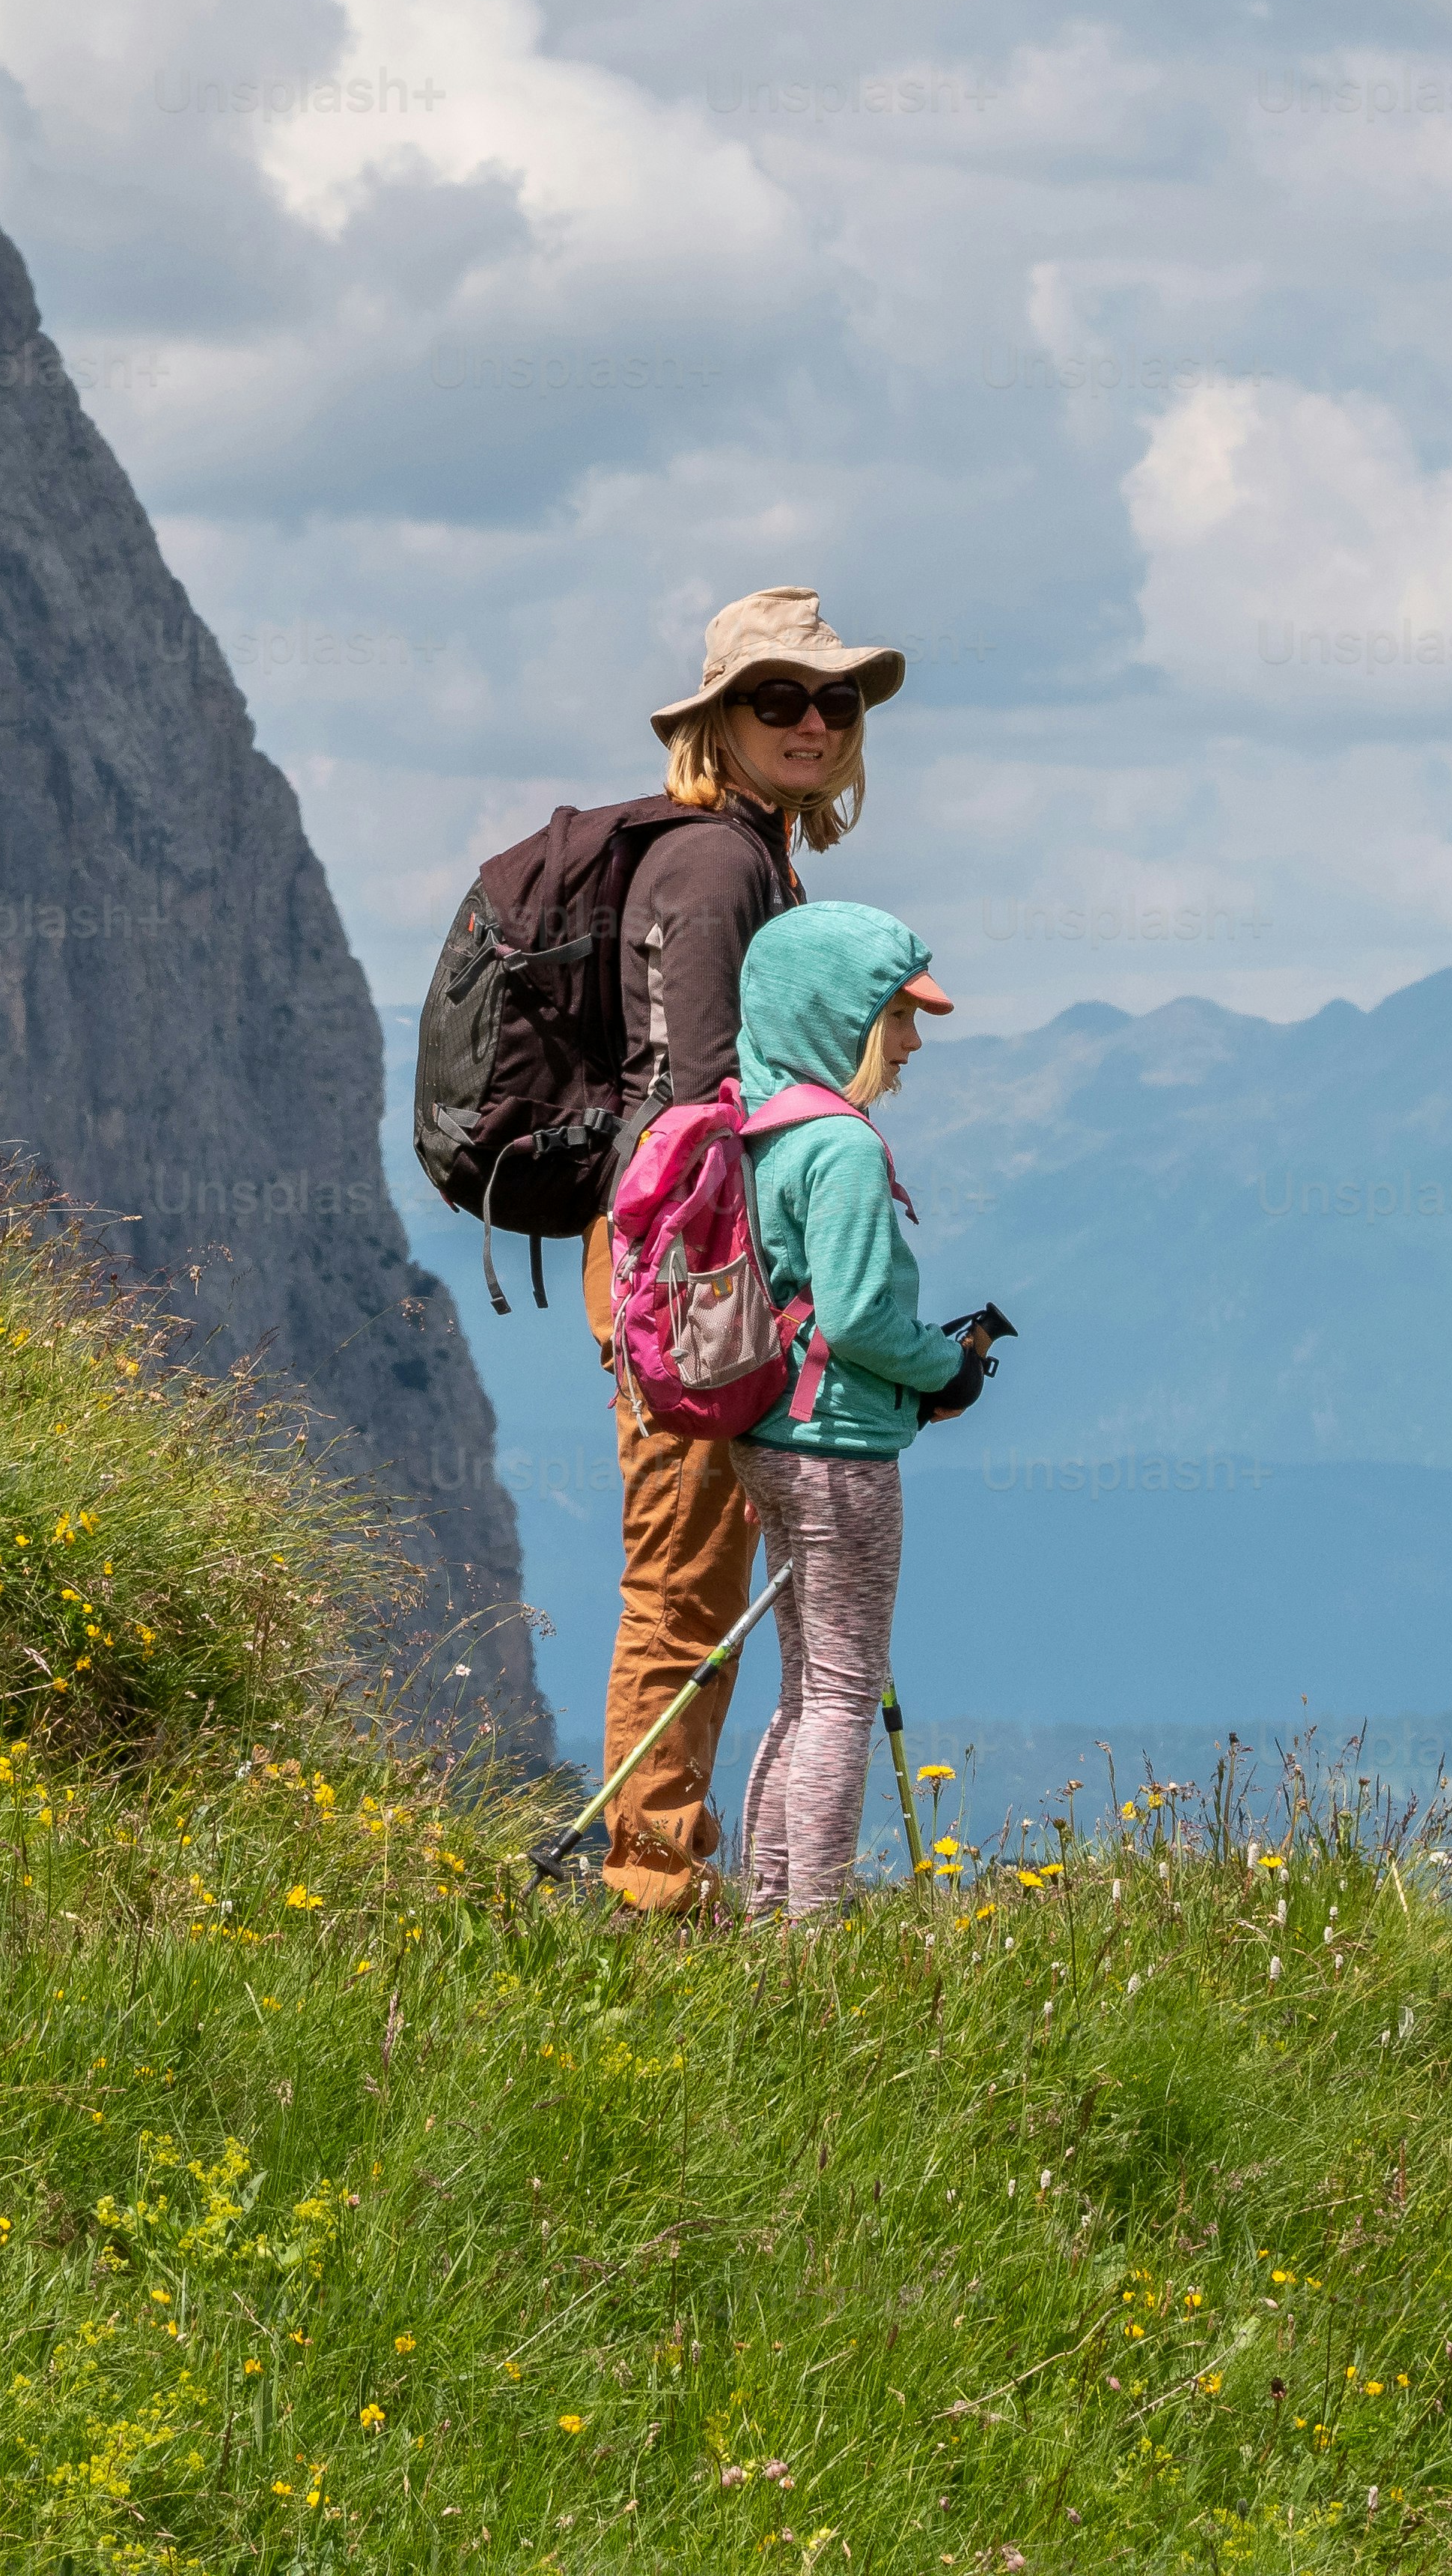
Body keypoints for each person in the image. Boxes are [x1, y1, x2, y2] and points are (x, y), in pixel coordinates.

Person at [587, 585, 900, 1915]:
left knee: (706, 1575)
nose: (814, 721)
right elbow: (711, 1104)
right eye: (779, 699)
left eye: (833, 700)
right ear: (716, 720)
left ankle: (689, 1880)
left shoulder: (750, 855)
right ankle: (650, 1894)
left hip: (685, 1263)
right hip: (696, 1271)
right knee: (685, 1578)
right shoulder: (719, 865)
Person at [725, 898, 968, 1926]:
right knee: (841, 1693)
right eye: (896, 1017)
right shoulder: (845, 1148)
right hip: (841, 1445)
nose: (911, 1043)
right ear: (838, 1017)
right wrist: (948, 1367)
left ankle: (773, 1903)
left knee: (803, 1684)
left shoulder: (764, 1129)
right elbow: (863, 1314)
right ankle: (811, 1932)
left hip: (767, 1434)